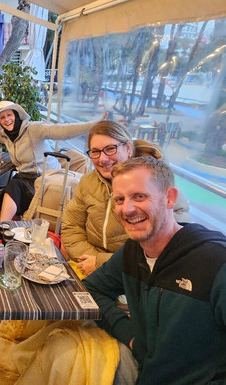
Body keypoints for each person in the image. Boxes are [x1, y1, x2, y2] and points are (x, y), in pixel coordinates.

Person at [83, 157, 226, 383]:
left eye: (139, 196)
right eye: (119, 199)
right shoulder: (132, 252)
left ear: (170, 198)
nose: (127, 209)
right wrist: (129, 335)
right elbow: (90, 290)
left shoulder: (215, 263)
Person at [62, 121, 190, 276]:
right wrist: (90, 259)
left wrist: (101, 263)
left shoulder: (158, 183)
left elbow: (165, 250)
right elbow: (72, 226)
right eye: (95, 151)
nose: (103, 159)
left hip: (132, 275)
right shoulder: (88, 182)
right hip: (87, 265)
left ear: (128, 148)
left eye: (110, 149)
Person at [0, 101, 102, 220]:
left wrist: (93, 125)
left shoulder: (33, 129)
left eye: (9, 115)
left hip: (46, 178)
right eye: (2, 117)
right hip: (26, 178)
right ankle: (10, 230)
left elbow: (63, 130)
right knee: (9, 191)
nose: (7, 119)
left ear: (16, 115)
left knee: (13, 187)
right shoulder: (5, 135)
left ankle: (3, 228)